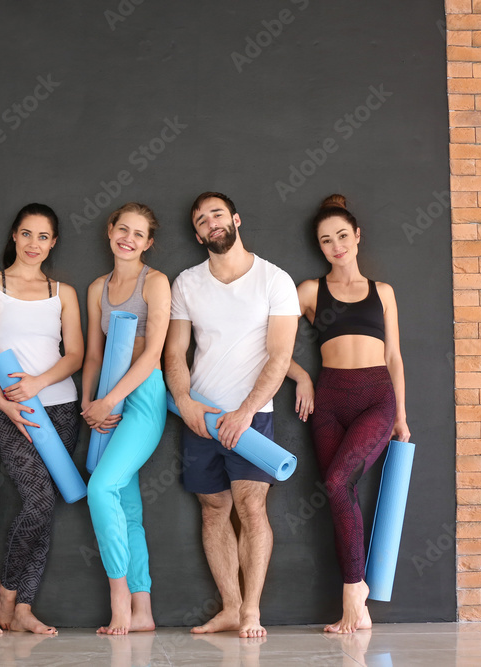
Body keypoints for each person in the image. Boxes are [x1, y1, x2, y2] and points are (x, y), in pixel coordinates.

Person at [164, 192, 299, 638]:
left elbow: (280, 356)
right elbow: (175, 352)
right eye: (201, 220)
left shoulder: (274, 280)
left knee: (251, 506)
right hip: (201, 416)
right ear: (197, 233)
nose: (210, 223)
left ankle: (252, 613)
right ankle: (229, 606)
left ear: (236, 219)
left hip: (252, 419)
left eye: (217, 215)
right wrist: (183, 400)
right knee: (212, 508)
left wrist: (244, 413)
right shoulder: (185, 283)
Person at [286, 194, 409, 634]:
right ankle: (355, 601)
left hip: (376, 396)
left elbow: (393, 357)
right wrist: (300, 376)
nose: (336, 246)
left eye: (342, 236)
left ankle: (353, 594)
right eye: (326, 241)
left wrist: (402, 414)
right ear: (319, 248)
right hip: (329, 400)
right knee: (340, 494)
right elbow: (270, 344)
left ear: (357, 236)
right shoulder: (308, 290)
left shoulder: (383, 292)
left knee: (338, 482)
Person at [0, 203, 84, 635]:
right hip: (11, 409)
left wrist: (37, 383)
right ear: (14, 236)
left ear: (52, 243)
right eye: (26, 234)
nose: (34, 244)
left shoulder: (63, 292)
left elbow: (74, 354)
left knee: (46, 507)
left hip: (60, 406)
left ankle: (23, 606)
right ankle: (6, 588)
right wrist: (3, 402)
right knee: (36, 501)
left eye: (43, 237)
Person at [82, 203, 171, 635]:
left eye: (139, 234)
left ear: (148, 242)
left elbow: (154, 354)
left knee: (100, 488)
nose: (129, 239)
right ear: (110, 231)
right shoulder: (97, 287)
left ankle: (118, 598)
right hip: (105, 400)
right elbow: (94, 355)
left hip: (143, 399)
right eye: (123, 229)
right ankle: (143, 609)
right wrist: (89, 404)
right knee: (127, 507)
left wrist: (111, 399)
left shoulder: (155, 283)